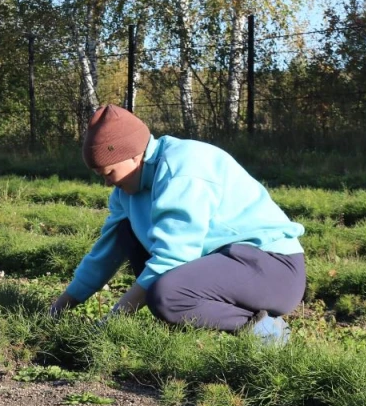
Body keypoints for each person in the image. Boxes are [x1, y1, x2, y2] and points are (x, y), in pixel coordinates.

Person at [48, 105, 305, 344]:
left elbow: (174, 257)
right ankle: (182, 323)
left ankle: (268, 332)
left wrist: (114, 319)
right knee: (126, 234)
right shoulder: (125, 194)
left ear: (135, 156)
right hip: (226, 265)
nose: (107, 184)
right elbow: (104, 255)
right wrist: (57, 309)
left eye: (108, 173)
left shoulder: (182, 167)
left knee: (167, 294)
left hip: (272, 269)